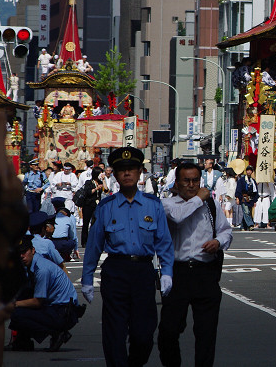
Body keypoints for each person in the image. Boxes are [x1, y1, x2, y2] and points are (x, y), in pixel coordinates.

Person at [81, 146, 175, 367]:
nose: (127, 173)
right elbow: (94, 245)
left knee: (144, 334)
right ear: (114, 173)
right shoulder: (106, 207)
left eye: (132, 168)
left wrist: (167, 272)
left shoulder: (153, 205)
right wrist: (86, 278)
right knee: (114, 331)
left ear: (140, 171)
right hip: (116, 271)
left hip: (143, 272)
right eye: (121, 169)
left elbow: (164, 242)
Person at [157, 162, 232, 367]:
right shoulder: (167, 205)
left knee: (206, 333)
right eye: (186, 181)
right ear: (177, 183)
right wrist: (199, 198)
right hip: (178, 272)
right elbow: (179, 218)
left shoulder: (211, 205)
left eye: (195, 181)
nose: (191, 185)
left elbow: (226, 230)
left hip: (205, 273)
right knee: (168, 330)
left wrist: (218, 242)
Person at [9, 236, 81, 352]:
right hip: (57, 308)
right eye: (19, 253)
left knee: (17, 313)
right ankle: (22, 340)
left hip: (63, 311)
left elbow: (38, 302)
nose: (21, 256)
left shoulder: (41, 269)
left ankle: (57, 333)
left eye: (24, 252)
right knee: (22, 297)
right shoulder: (32, 265)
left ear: (33, 250)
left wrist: (13, 304)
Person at [235, 165, 259, 230]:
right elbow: (238, 189)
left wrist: (255, 200)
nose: (249, 172)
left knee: (248, 212)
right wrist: (237, 197)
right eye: (247, 170)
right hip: (243, 198)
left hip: (250, 198)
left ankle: (243, 226)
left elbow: (255, 191)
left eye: (250, 170)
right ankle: (251, 225)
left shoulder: (253, 181)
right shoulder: (242, 180)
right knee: (246, 212)